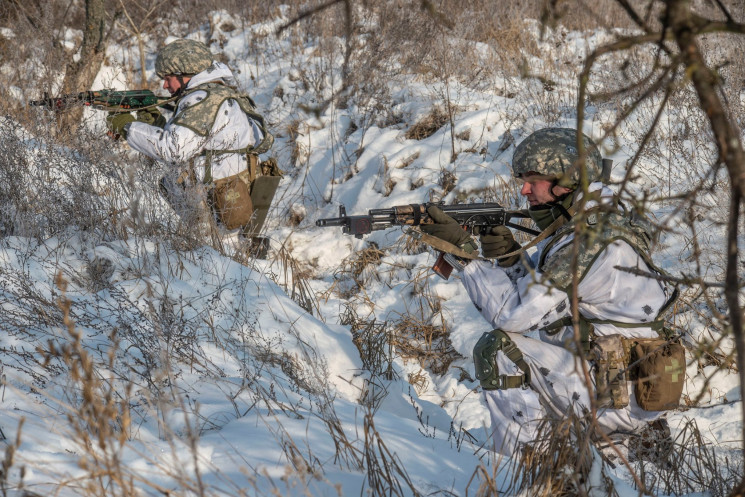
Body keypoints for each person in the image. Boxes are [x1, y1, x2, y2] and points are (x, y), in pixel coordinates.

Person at [421, 128, 680, 456]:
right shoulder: (593, 224)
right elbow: (542, 295)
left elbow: (514, 315)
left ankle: (529, 465)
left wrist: (462, 252)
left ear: (567, 180)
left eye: (534, 179)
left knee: (499, 348)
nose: (524, 189)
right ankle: (583, 460)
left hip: (615, 395)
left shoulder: (589, 243)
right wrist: (512, 259)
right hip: (615, 381)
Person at [106, 38, 279, 256]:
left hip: (220, 214)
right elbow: (196, 143)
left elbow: (174, 149)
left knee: (220, 266)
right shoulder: (218, 94)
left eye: (168, 79)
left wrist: (127, 127)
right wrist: (156, 123)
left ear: (185, 73)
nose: (165, 86)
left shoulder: (202, 99)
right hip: (229, 205)